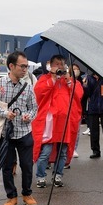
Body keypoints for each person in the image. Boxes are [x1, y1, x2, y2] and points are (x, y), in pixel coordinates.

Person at [0, 51, 38, 205]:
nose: (25, 69)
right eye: (22, 66)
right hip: (6, 133)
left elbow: (34, 108)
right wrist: (4, 113)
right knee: (7, 166)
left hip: (24, 132)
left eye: (27, 66)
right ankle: (11, 196)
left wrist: (28, 116)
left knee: (27, 165)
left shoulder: (28, 86)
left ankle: (27, 193)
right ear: (11, 66)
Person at [32, 54, 83, 188]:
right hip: (50, 123)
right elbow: (39, 92)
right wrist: (53, 78)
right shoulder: (45, 79)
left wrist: (69, 81)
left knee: (63, 151)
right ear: (50, 65)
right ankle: (41, 176)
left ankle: (58, 175)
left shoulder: (70, 81)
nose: (60, 67)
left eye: (62, 64)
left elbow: (79, 95)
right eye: (57, 64)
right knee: (46, 151)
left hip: (65, 122)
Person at [84, 71, 103, 159]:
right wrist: (85, 86)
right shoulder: (89, 78)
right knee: (94, 131)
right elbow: (87, 94)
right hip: (93, 108)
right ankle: (95, 150)